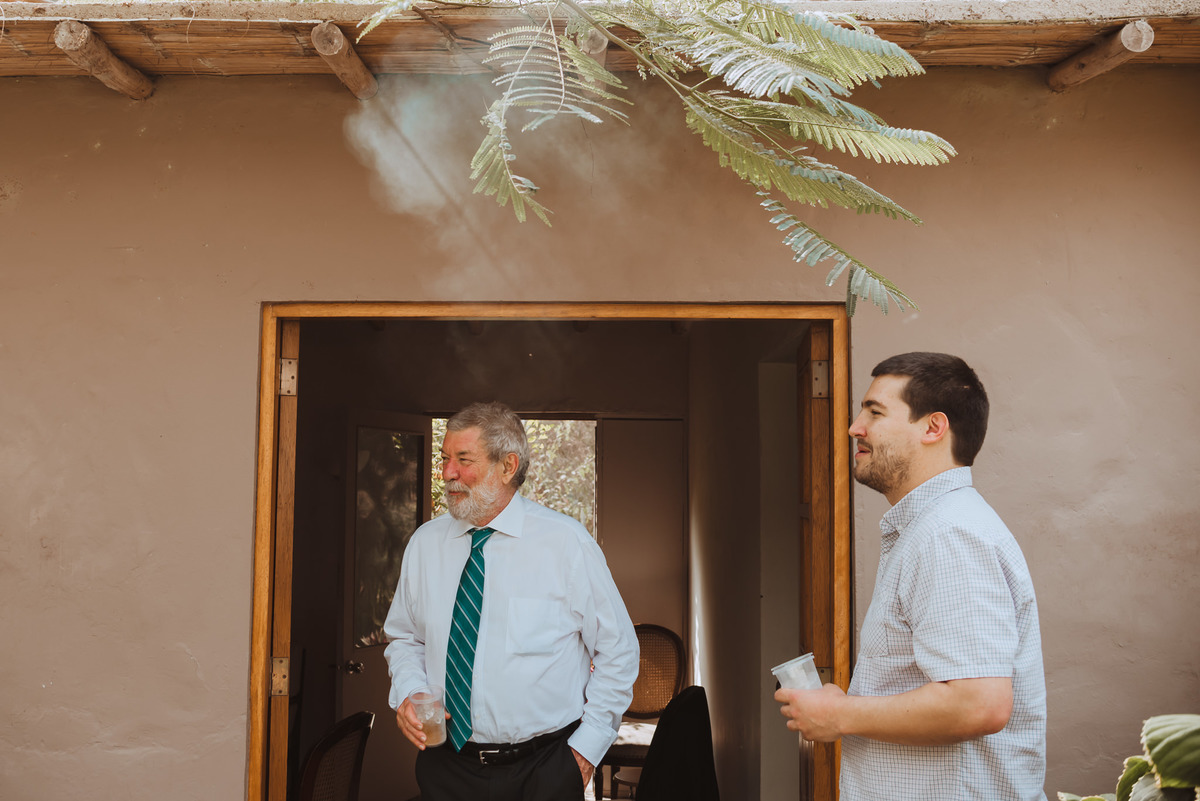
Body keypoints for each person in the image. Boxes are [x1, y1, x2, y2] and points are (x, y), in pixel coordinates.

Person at [776, 352, 1047, 801]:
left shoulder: (948, 535)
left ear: (933, 428)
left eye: (875, 412)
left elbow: (978, 703)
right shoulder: (931, 529)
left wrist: (840, 714)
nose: (854, 427)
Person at [383, 402, 639, 801]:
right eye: (445, 458)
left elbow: (618, 651)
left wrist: (585, 750)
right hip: (446, 766)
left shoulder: (565, 544)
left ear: (507, 466)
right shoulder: (424, 545)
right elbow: (405, 639)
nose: (447, 472)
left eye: (463, 460)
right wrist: (409, 692)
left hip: (545, 769)